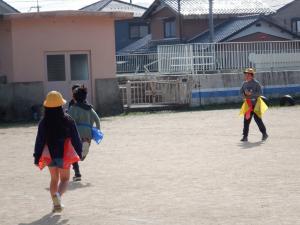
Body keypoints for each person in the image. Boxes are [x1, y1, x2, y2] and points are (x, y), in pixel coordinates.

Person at [34, 91, 82, 212]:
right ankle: (58, 197)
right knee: (65, 179)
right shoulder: (68, 120)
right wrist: (79, 152)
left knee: (54, 179)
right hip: (64, 153)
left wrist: (36, 157)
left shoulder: (43, 122)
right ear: (61, 105)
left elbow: (39, 140)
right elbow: (75, 138)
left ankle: (55, 204)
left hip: (49, 154)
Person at [68, 85, 100, 181]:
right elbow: (97, 120)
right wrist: (97, 131)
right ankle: (83, 151)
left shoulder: (73, 108)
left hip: (77, 132)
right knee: (81, 155)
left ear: (75, 97)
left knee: (73, 153)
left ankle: (77, 172)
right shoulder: (90, 108)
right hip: (88, 133)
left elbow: (69, 120)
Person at [240, 68, 268, 142]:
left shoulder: (256, 83)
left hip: (256, 104)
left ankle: (264, 134)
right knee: (246, 120)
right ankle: (245, 136)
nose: (246, 75)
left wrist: (251, 94)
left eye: (248, 74)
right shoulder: (244, 84)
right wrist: (244, 95)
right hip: (248, 105)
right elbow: (241, 93)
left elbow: (260, 93)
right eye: (246, 74)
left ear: (252, 76)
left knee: (258, 119)